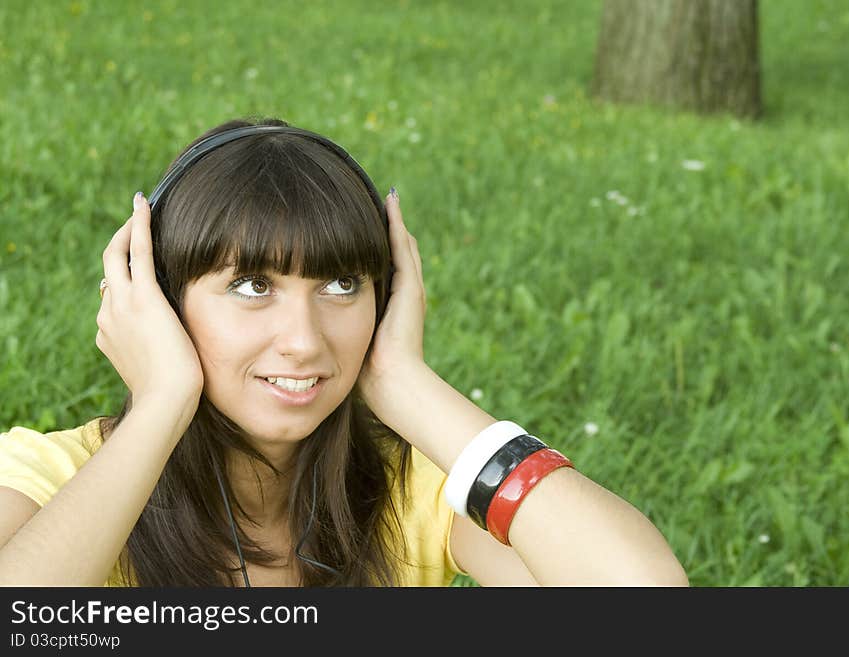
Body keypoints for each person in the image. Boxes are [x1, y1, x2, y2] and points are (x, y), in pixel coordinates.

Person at [0, 117, 688, 587]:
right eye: (250, 284)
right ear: (155, 300)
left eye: (340, 283)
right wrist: (160, 404)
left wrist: (408, 384)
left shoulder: (415, 492)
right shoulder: (52, 476)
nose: (303, 340)